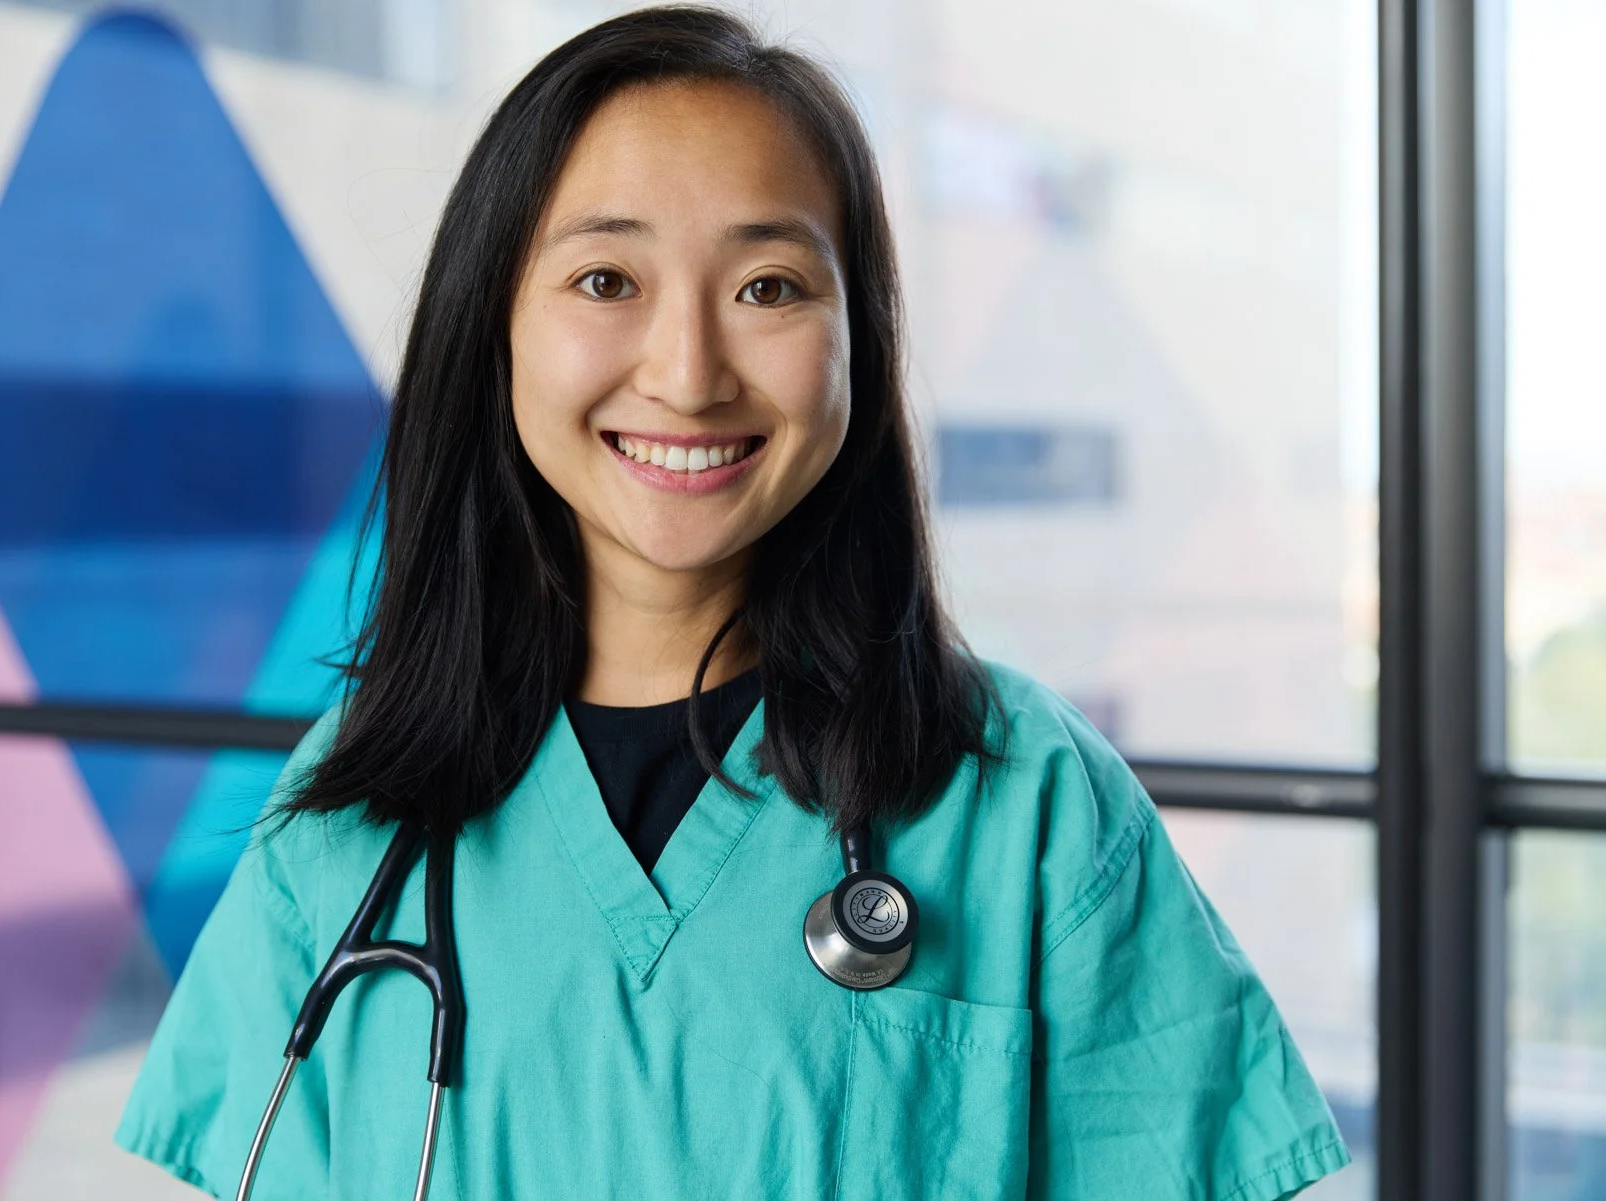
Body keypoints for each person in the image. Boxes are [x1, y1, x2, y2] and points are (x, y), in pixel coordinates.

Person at [114, 7, 1351, 1199]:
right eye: (607, 280)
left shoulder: (1027, 800)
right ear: (491, 326)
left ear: (857, 339)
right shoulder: (349, 814)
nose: (690, 372)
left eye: (768, 287)